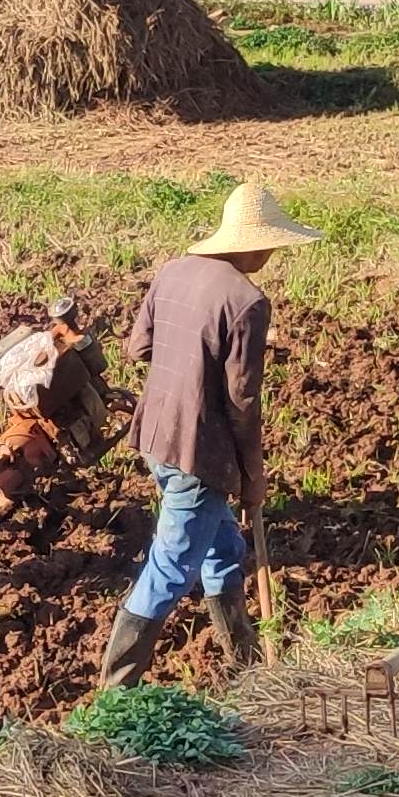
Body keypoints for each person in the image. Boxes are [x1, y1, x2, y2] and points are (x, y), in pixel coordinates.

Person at [102, 182, 320, 687]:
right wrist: (253, 475)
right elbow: (243, 403)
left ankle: (243, 661)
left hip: (155, 436)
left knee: (223, 547)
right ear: (248, 242)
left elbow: (140, 348)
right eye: (268, 243)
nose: (270, 253)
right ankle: (116, 691)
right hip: (198, 453)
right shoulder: (247, 301)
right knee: (172, 567)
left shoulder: (173, 271)